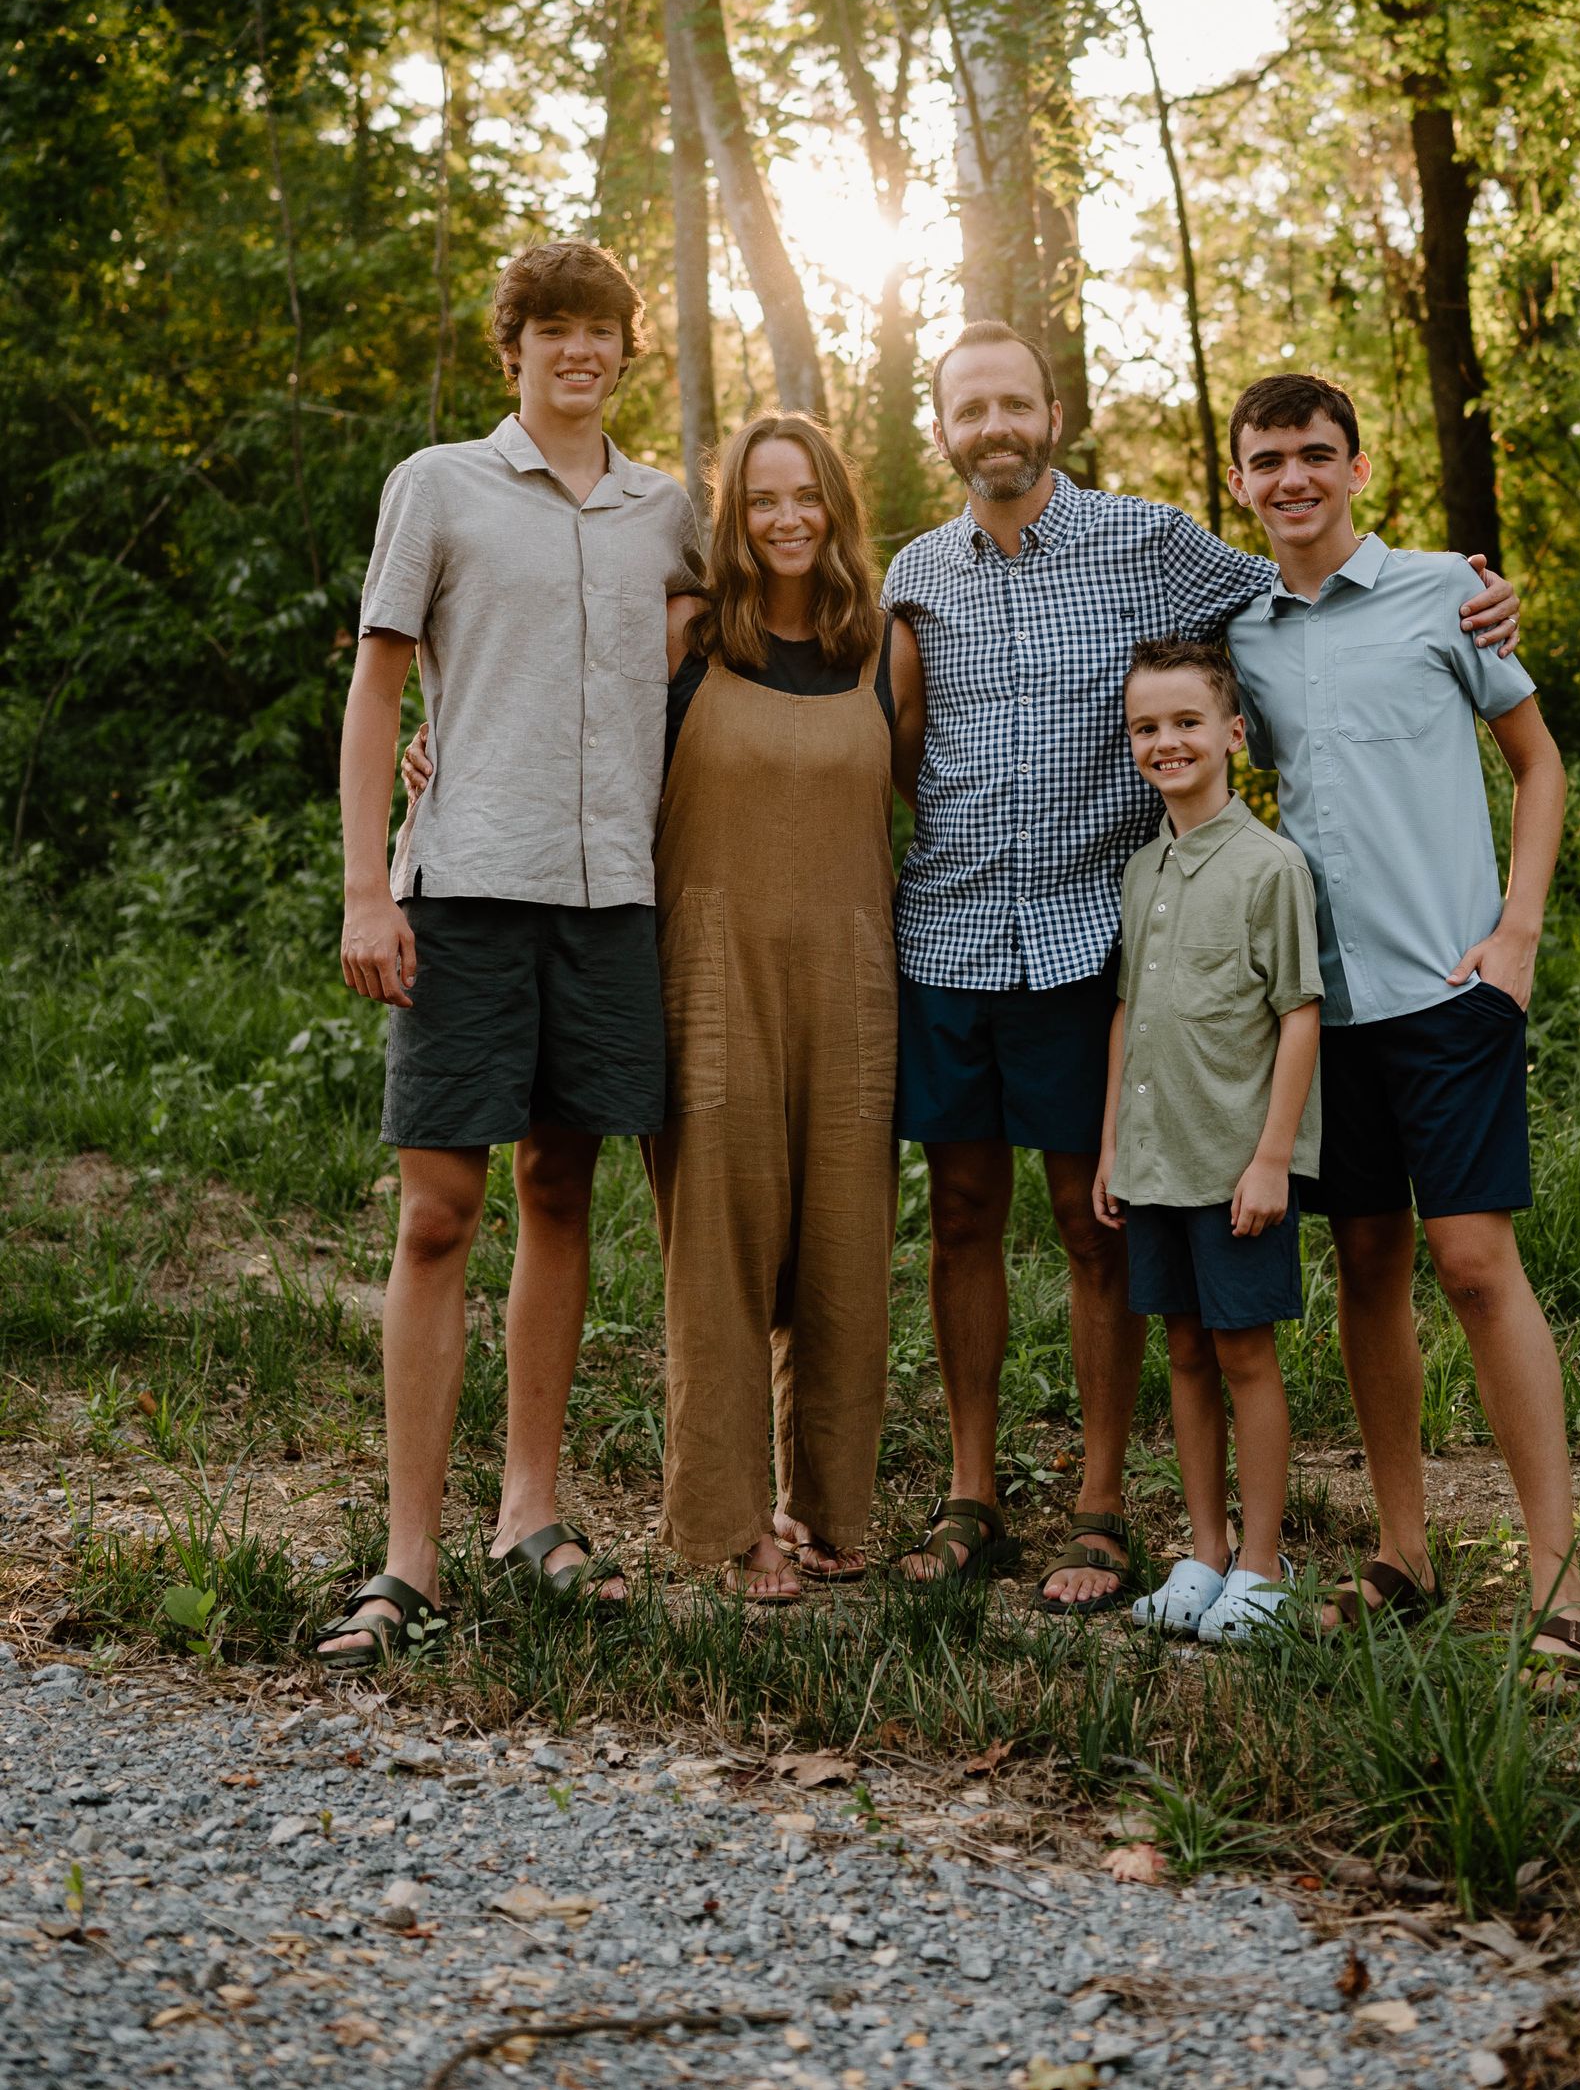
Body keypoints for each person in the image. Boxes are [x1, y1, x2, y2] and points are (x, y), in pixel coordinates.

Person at [880, 319, 1519, 1610]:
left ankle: (1104, 1506)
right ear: (940, 428)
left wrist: (1465, 591)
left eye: (1016, 402)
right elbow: (894, 739)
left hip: (1083, 935)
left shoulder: (1149, 542)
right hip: (949, 931)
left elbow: (1304, 578)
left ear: (1052, 412)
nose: (995, 425)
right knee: (959, 1211)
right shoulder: (915, 570)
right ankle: (971, 1493)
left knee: (1092, 1220)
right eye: (970, 408)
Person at [319, 241, 703, 1671]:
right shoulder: (439, 485)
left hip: (613, 899)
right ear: (515, 348)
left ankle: (528, 1513)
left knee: (562, 1187)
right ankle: (409, 1550)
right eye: (554, 329)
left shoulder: (669, 508)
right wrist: (369, 888)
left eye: (601, 329)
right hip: (467, 886)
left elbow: (723, 648)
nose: (579, 350)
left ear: (624, 349)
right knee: (437, 1212)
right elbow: (375, 694)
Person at [1222, 371, 1580, 1672]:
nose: (1293, 479)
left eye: (1315, 453)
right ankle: (1403, 1552)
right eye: (1267, 459)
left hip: (1451, 988)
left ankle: (1562, 1581)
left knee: (1475, 1263)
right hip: (1325, 1009)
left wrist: (1518, 937)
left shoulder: (1449, 589)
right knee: (1369, 1265)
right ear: (1239, 482)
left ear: (1359, 465)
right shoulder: (1243, 627)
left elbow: (1539, 761)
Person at [646, 412, 925, 1604]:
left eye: (805, 496)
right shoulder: (687, 637)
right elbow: (591, 757)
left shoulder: (886, 650)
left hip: (854, 977)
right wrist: (431, 758)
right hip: (709, 970)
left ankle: (828, 1508)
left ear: (836, 508)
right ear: (734, 517)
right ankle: (727, 1522)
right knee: (716, 1250)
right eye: (762, 500)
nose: (785, 519)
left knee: (846, 1252)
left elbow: (936, 794)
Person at [1093, 639, 1323, 1644]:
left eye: (1187, 721)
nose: (1166, 741)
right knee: (1182, 1353)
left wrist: (1274, 1155)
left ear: (1233, 734)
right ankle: (1204, 1552)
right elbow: (1128, 1011)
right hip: (1153, 1159)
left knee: (1242, 1355)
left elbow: (1299, 1015)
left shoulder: (1271, 867)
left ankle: (1264, 1570)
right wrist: (1109, 1146)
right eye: (1147, 726)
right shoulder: (1143, 870)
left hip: (1236, 1165)